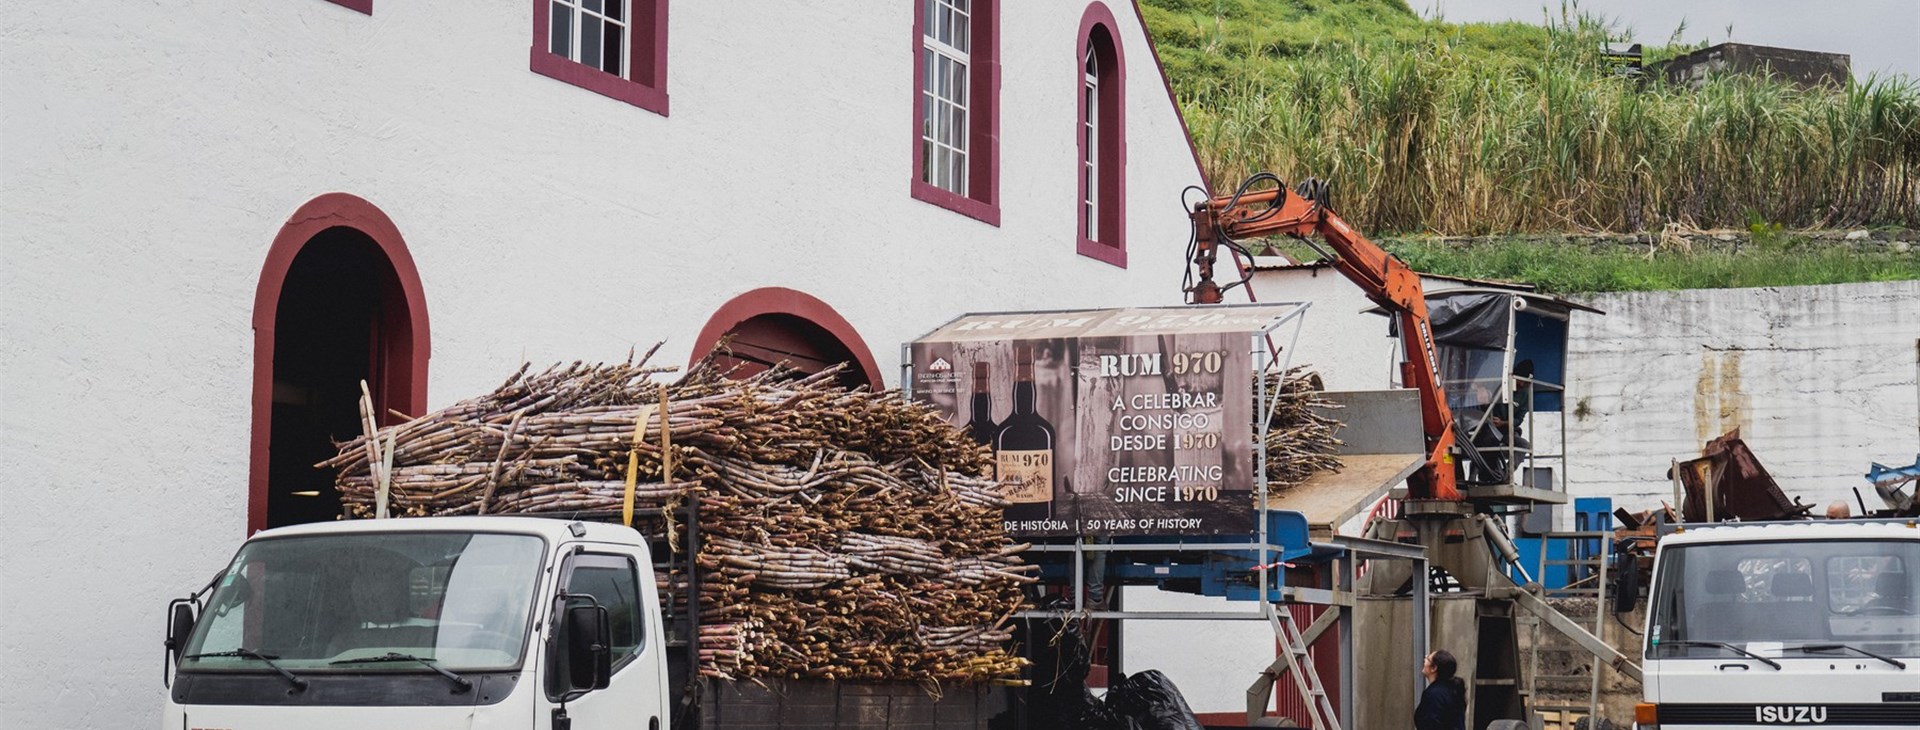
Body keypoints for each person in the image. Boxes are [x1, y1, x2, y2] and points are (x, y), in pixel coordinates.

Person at [1414, 649, 1466, 730]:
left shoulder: (1433, 695)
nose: (1425, 657)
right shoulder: (1451, 689)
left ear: (1434, 668)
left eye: (1428, 658)